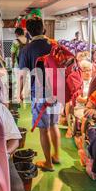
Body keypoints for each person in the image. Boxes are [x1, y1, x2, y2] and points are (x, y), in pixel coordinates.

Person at [18, 17, 61, 171]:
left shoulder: (26, 50)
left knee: (44, 129)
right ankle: (56, 155)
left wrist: (20, 92)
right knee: (54, 124)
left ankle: (48, 163)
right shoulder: (54, 44)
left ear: (27, 32)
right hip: (58, 90)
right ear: (43, 28)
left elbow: (22, 74)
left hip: (40, 93)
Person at [65, 60, 93, 139]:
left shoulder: (94, 80)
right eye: (85, 71)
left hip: (92, 107)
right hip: (81, 107)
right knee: (86, 118)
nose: (88, 73)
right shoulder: (77, 81)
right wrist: (91, 100)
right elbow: (79, 99)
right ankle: (82, 138)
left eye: (89, 70)